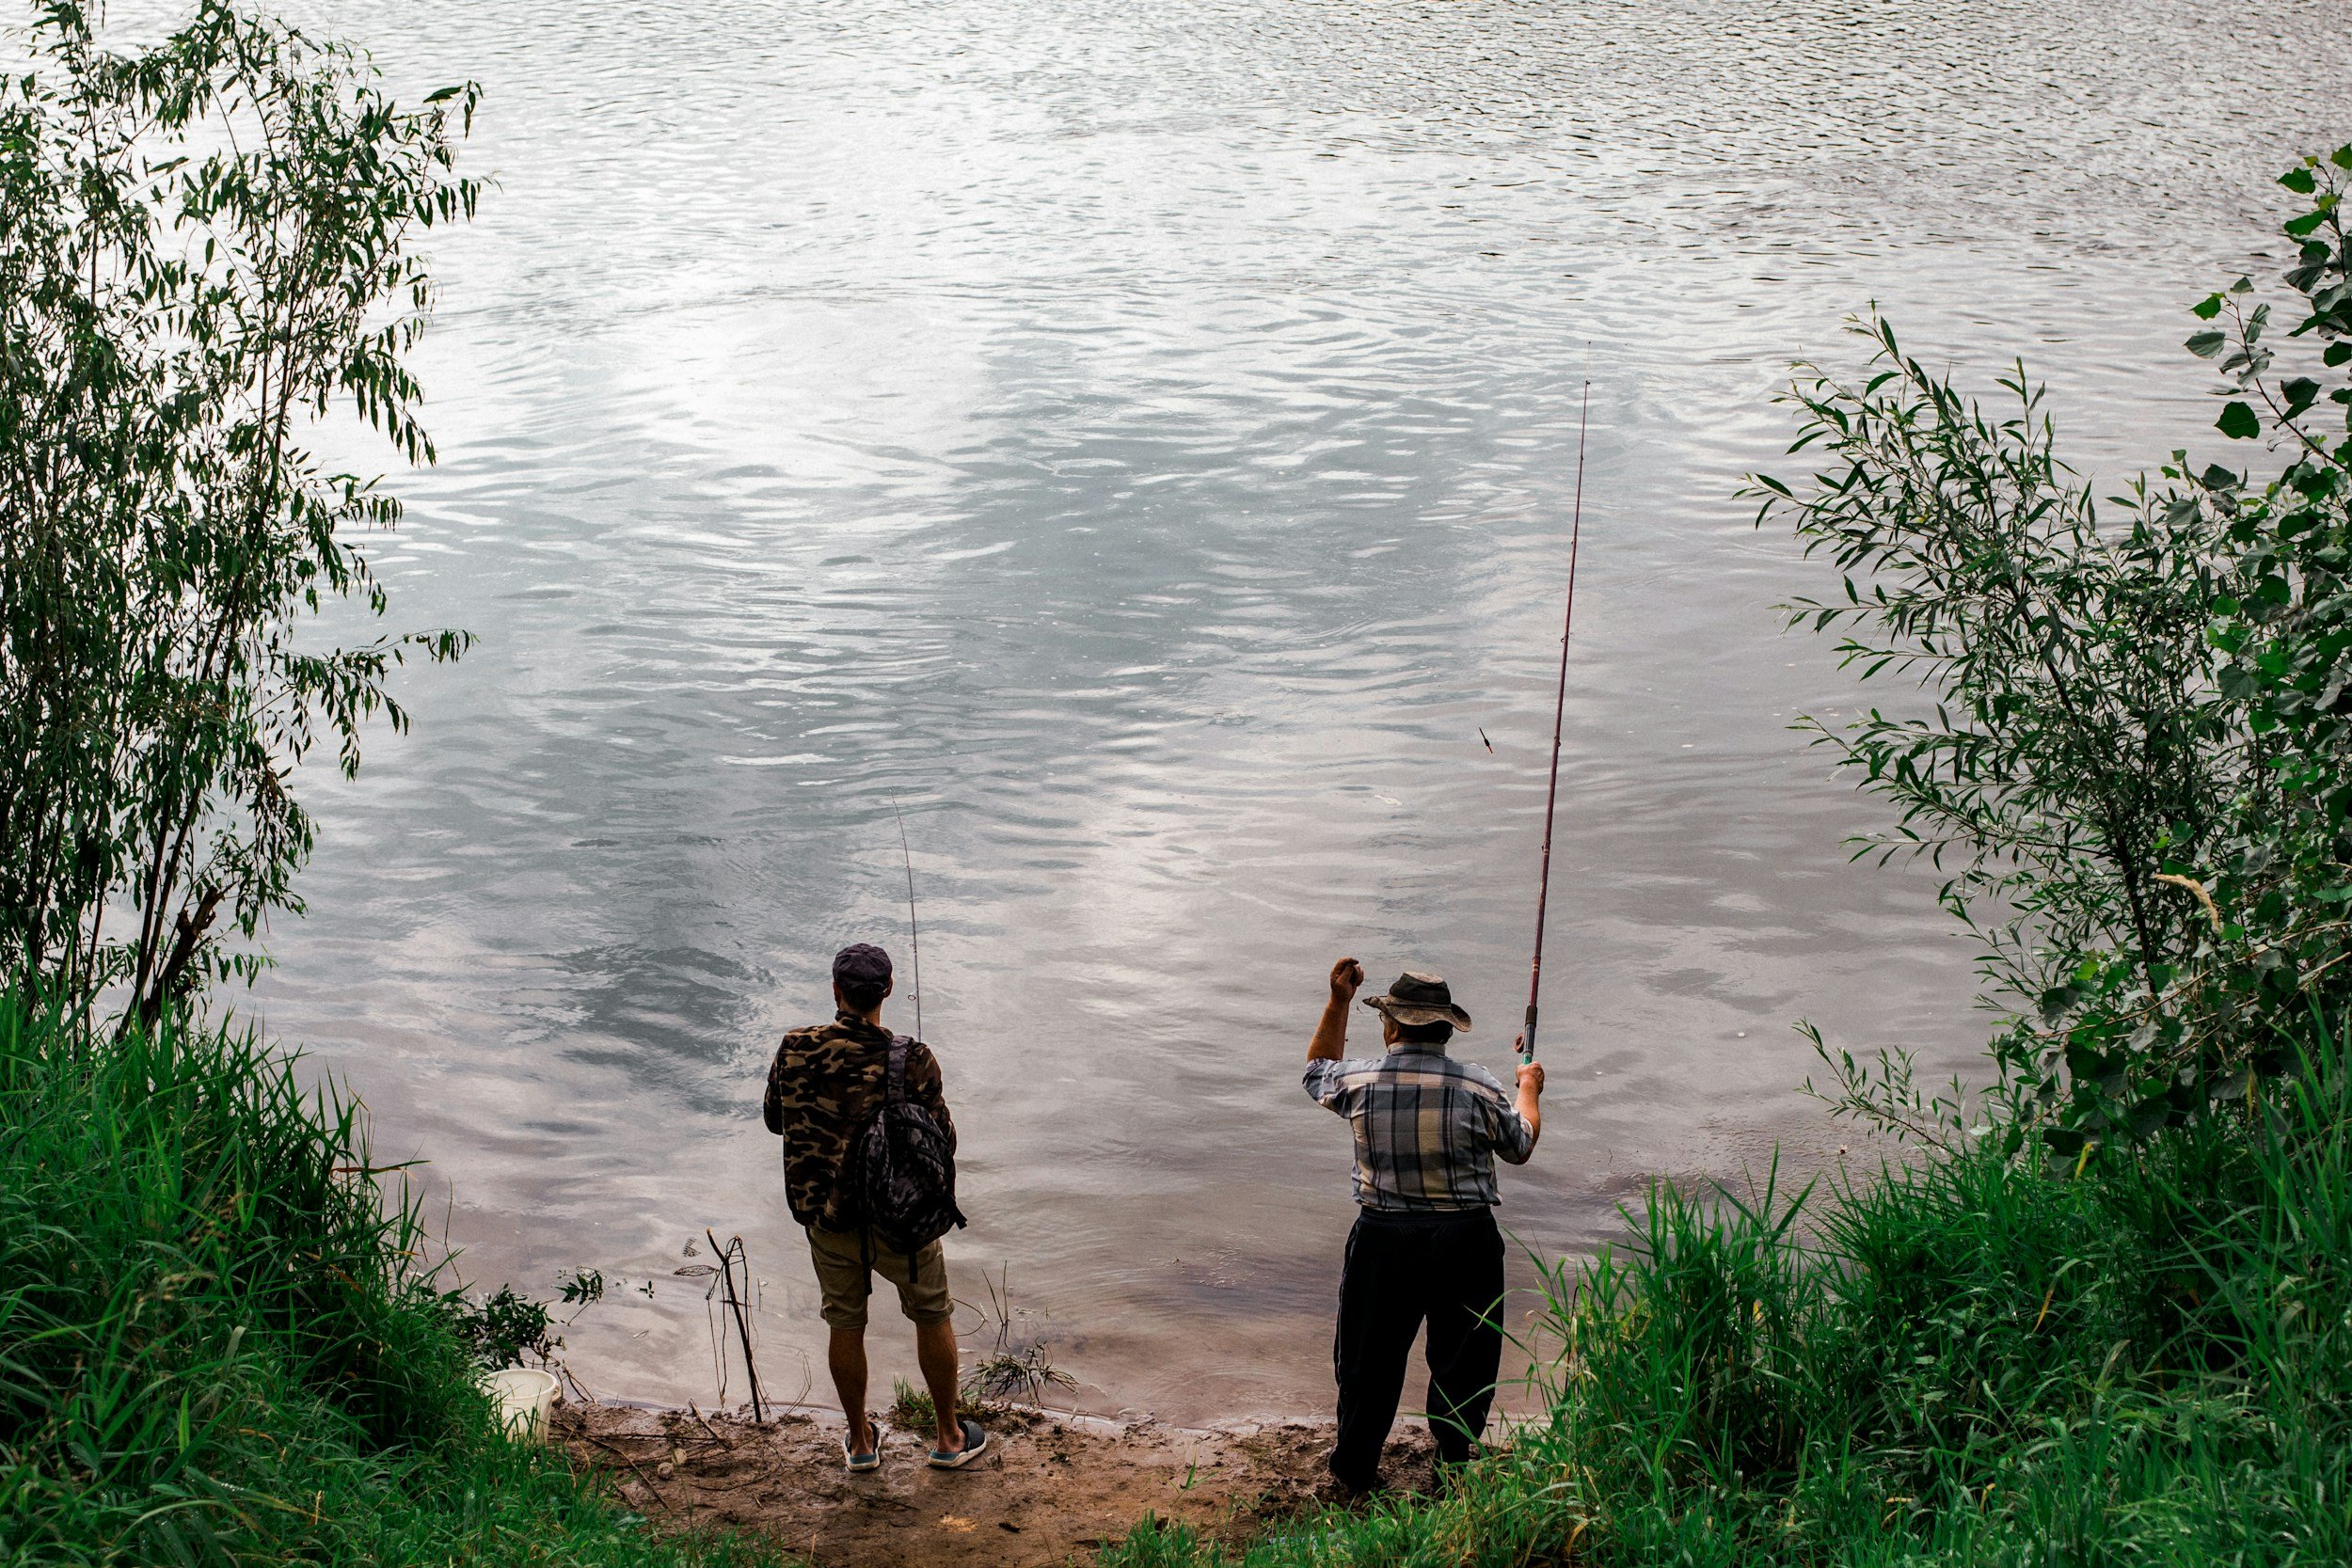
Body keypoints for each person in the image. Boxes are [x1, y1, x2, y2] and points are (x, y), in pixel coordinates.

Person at [1302, 958, 1544, 1494]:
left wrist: (1339, 1001)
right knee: (1466, 1359)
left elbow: (1316, 1069)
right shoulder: (1481, 1088)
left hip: (1383, 1238)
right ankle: (1453, 1468)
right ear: (1445, 1031)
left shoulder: (1359, 1080)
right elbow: (1520, 1145)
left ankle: (1357, 1472)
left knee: (1369, 1359)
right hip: (1466, 1241)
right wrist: (1529, 1086)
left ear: (1391, 1026)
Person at [762, 942, 988, 1473]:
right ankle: (949, 1438)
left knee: (845, 1323)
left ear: (835, 991)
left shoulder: (795, 1047)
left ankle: (861, 1443)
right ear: (887, 990)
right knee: (932, 1315)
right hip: (902, 1219)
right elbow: (943, 1141)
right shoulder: (912, 1056)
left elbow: (776, 1120)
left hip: (826, 1217)